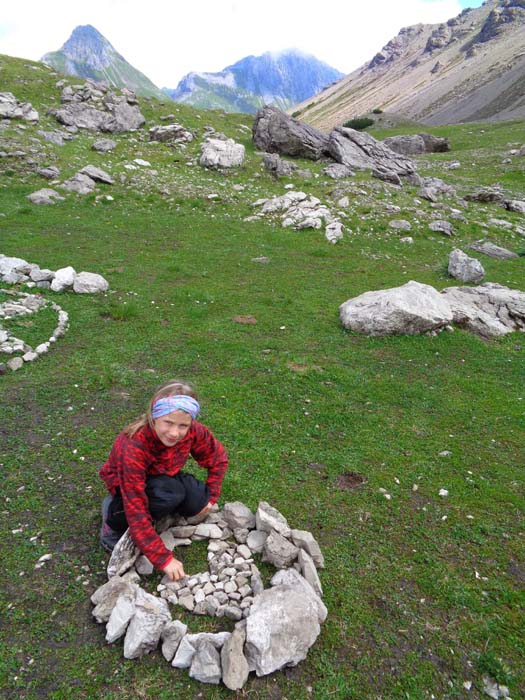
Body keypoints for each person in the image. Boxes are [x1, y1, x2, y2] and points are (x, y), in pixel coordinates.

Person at [99, 379, 228, 581]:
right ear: (154, 416)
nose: (174, 433)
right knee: (166, 496)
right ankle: (112, 519)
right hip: (128, 487)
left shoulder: (193, 431)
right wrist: (163, 559)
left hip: (164, 474)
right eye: (168, 422)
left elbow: (217, 457)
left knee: (197, 500)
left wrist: (212, 496)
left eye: (183, 425)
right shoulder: (133, 445)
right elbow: (136, 505)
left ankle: (163, 505)